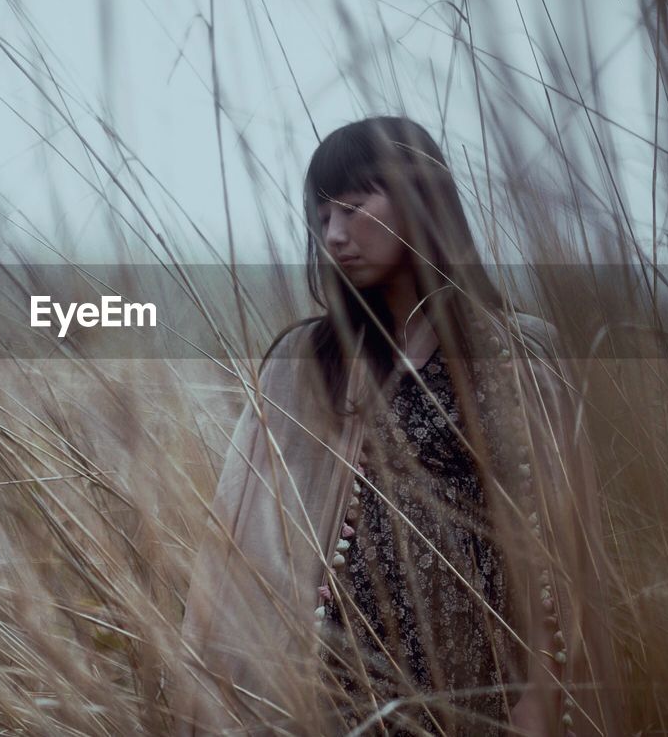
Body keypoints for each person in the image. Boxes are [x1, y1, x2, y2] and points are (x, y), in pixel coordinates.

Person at [174, 117, 618, 735]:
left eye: (353, 209)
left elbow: (554, 548)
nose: (333, 235)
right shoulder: (308, 362)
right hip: (343, 686)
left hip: (486, 682)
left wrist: (543, 694)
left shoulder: (519, 356)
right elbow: (247, 539)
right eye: (321, 216)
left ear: (419, 201)